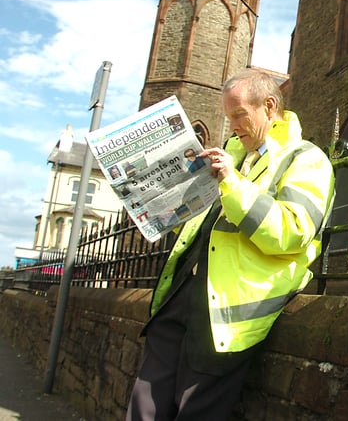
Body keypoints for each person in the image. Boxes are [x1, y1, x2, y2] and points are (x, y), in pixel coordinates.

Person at [126, 69, 335, 420]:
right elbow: (203, 226)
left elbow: (293, 231)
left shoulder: (307, 158)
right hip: (183, 292)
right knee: (143, 407)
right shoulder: (231, 154)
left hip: (228, 310)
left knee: (195, 413)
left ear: (269, 107)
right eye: (229, 117)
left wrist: (232, 183)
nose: (233, 125)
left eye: (240, 114)